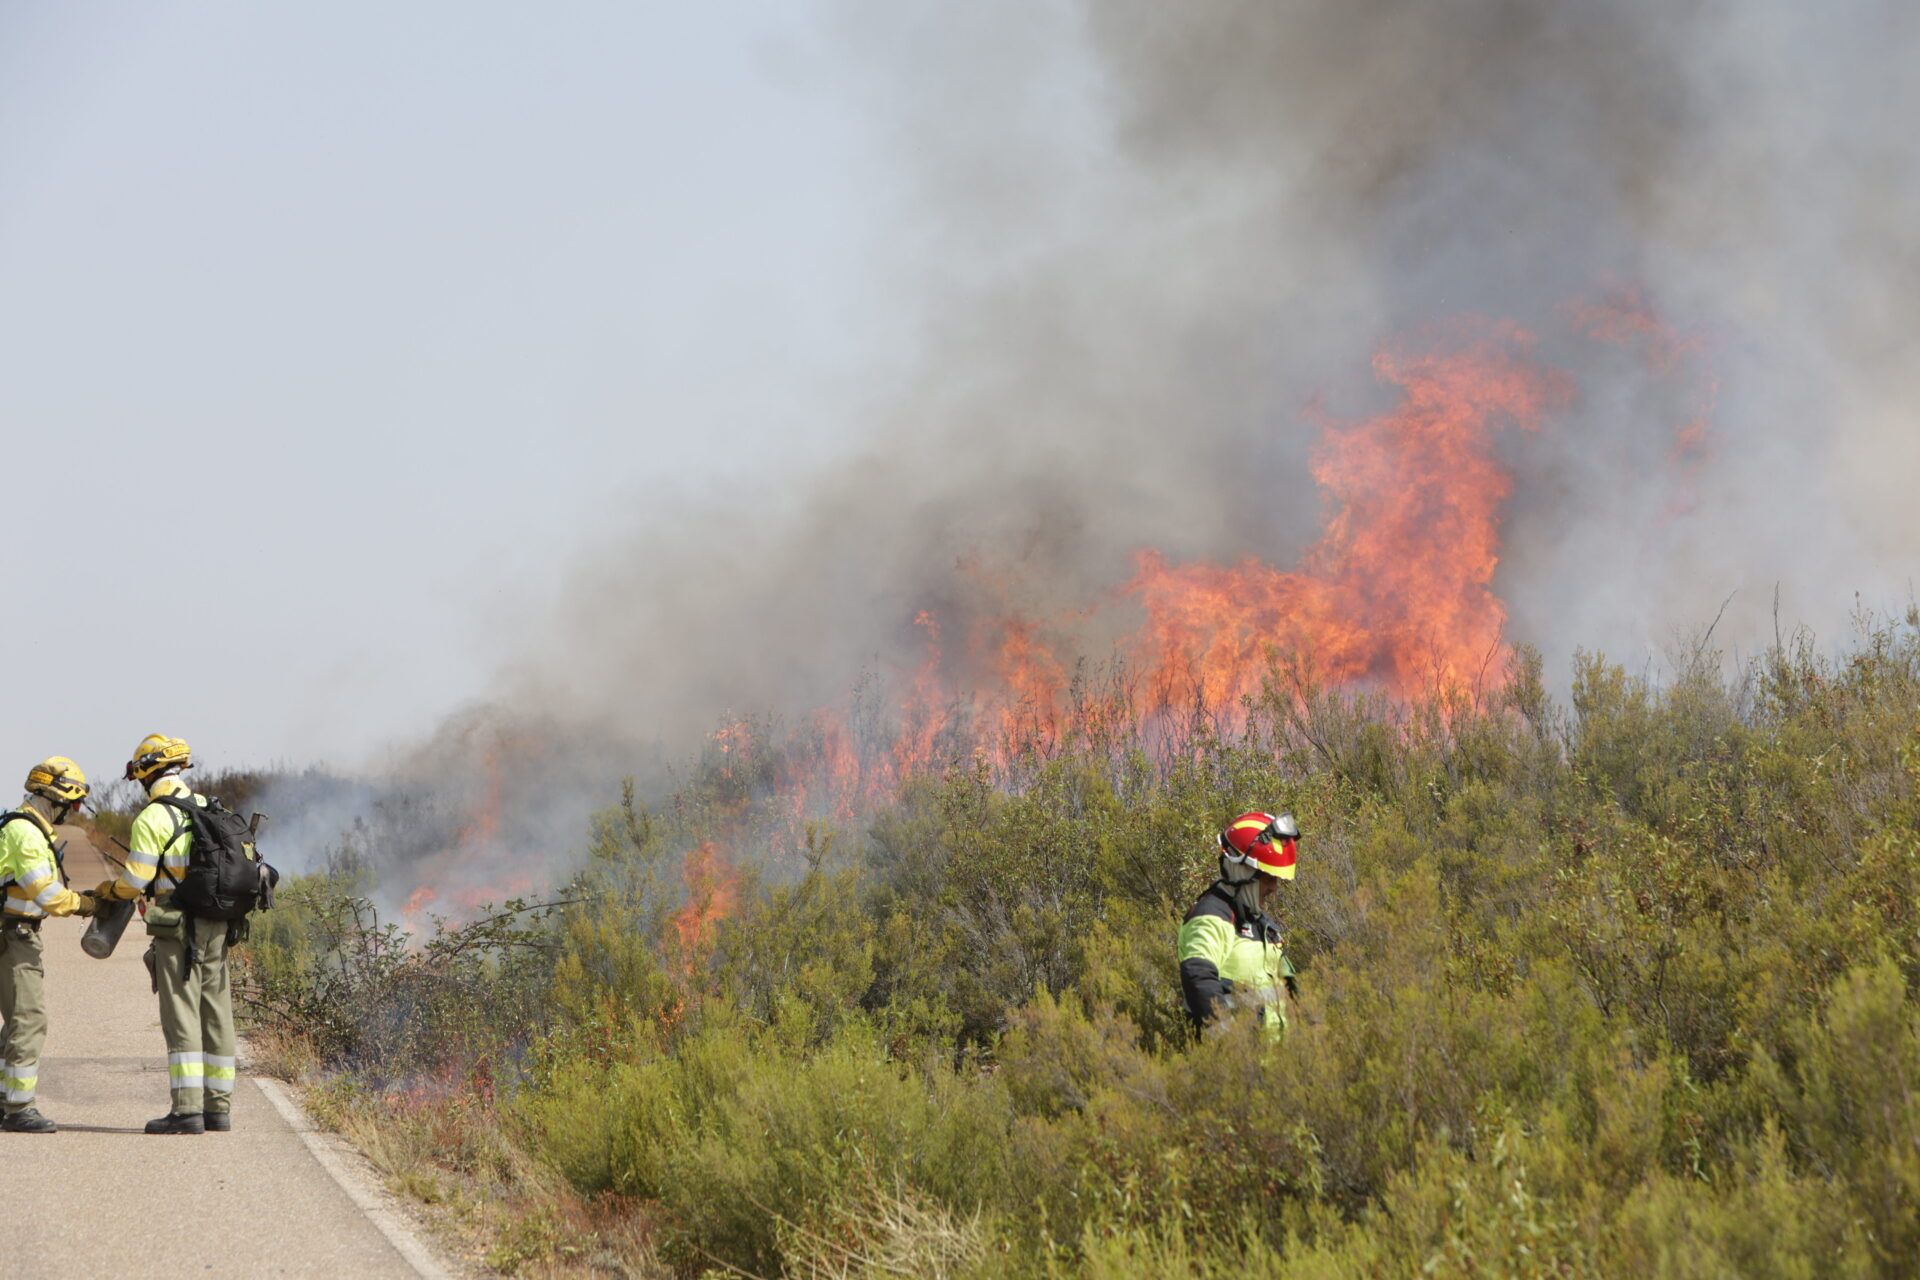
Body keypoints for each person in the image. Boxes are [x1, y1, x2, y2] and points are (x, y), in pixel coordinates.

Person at [92, 734, 236, 1135]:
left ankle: (186, 1111)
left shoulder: (153, 817)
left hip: (178, 928)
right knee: (217, 1013)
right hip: (218, 925)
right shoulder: (209, 807)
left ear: (145, 773)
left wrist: (110, 891)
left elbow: (135, 879)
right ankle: (218, 1109)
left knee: (181, 1015)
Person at [0, 756, 97, 1133]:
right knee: (28, 1020)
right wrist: (86, 904)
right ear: (54, 798)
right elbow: (48, 895)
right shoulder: (25, 833)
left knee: (15, 1023)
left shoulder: (24, 828)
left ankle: (7, 1101)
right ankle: (20, 1108)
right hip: (15, 936)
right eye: (70, 805)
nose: (70, 813)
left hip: (10, 932)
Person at [1177, 810, 1299, 1041]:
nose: (1275, 888)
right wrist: (1233, 1047)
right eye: (1269, 878)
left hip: (1276, 1067)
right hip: (1235, 1070)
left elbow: (1291, 990)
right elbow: (1198, 977)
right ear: (1243, 871)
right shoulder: (1210, 917)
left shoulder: (1262, 925)